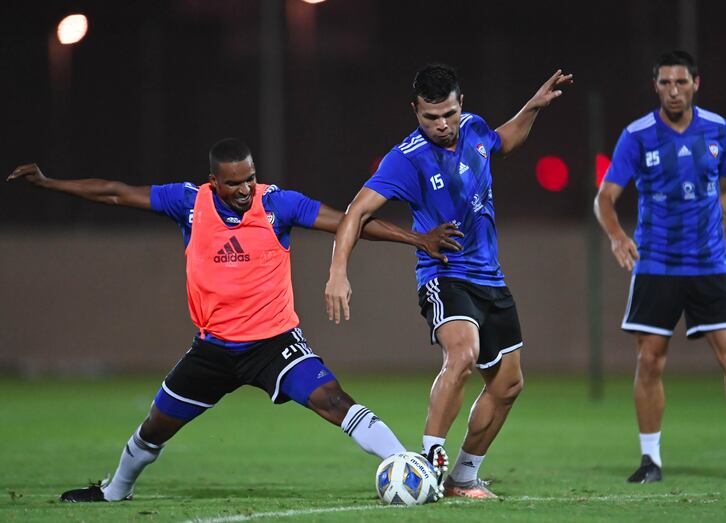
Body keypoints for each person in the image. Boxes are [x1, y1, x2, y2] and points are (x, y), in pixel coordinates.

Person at [7, 138, 464, 502]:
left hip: (273, 343)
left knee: (333, 399)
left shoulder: (277, 204)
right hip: (213, 349)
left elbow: (349, 222)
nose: (245, 189)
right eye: (234, 183)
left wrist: (416, 238)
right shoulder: (188, 202)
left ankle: (411, 466)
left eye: (250, 179)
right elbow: (115, 193)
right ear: (213, 182)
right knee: (154, 427)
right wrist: (49, 184)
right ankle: (114, 493)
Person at [325, 64, 572, 498]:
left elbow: (504, 141)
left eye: (449, 114)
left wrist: (532, 107)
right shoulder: (406, 158)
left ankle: (462, 477)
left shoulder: (474, 130)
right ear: (415, 112)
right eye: (430, 117)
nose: (442, 125)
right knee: (463, 355)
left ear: (462, 105)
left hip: (490, 279)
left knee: (509, 384)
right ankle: (429, 463)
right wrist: (338, 272)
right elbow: (356, 212)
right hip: (445, 274)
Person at [594, 50, 726, 484]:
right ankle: (651, 460)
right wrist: (617, 236)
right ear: (656, 86)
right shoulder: (638, 135)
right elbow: (604, 198)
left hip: (709, 264)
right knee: (650, 361)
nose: (673, 90)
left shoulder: (719, 130)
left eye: (681, 82)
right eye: (665, 83)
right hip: (656, 265)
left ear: (696, 84)